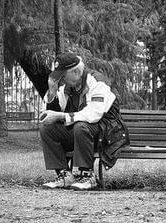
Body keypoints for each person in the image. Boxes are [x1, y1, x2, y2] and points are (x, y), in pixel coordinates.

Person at [40, 52, 129, 190]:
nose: (61, 80)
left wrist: (61, 116)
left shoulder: (97, 81)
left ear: (76, 72)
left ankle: (88, 176)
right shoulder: (66, 87)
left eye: (63, 75)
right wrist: (52, 92)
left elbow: (93, 115)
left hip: (107, 133)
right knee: (47, 128)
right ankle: (64, 176)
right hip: (82, 133)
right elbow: (54, 112)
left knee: (81, 126)